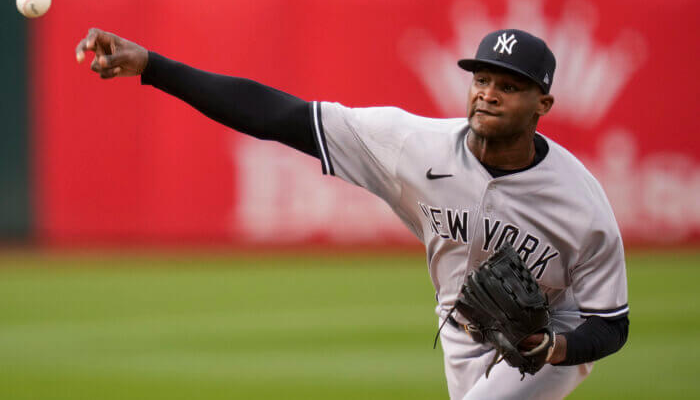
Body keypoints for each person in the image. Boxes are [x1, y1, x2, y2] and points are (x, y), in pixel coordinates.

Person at [75, 27, 629, 399]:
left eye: (509, 87)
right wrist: (152, 65)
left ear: (543, 105)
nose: (487, 94)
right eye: (481, 80)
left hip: (550, 331)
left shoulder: (581, 205)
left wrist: (557, 346)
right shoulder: (413, 145)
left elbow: (612, 324)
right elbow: (277, 116)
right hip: (457, 323)